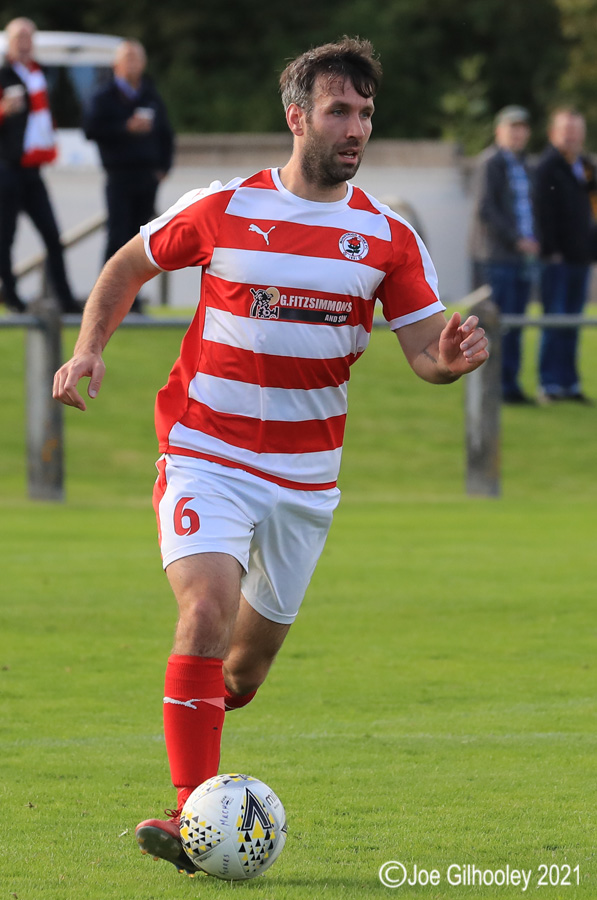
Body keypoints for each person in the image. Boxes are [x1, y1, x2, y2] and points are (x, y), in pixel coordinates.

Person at [53, 37, 489, 876]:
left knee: (242, 672)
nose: (354, 127)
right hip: (205, 452)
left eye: (365, 113)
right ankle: (191, 815)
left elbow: (425, 353)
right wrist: (88, 350)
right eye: (338, 110)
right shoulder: (222, 207)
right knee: (204, 611)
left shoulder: (387, 237)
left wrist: (451, 359)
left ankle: (210, 735)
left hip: (304, 480)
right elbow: (127, 265)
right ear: (296, 117)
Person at [0, 18, 80, 314]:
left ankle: (65, 298)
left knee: (52, 235)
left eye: (28, 38)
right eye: (18, 38)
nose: (24, 44)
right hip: (3, 166)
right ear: (8, 43)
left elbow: (44, 116)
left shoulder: (38, 74)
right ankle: (11, 298)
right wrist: (1, 111)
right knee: (5, 236)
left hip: (31, 167)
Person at [84, 38, 174, 312]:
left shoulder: (150, 94)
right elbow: (90, 129)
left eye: (137, 58)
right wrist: (125, 127)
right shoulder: (104, 96)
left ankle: (131, 301)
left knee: (142, 240)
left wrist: (163, 167)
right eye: (128, 58)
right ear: (116, 64)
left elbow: (166, 133)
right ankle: (106, 300)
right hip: (119, 174)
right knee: (117, 237)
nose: (133, 64)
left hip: (147, 176)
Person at [470, 105, 539, 404]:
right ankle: (492, 387)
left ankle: (510, 385)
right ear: (499, 131)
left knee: (515, 325)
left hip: (522, 259)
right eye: (512, 128)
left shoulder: (526, 164)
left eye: (522, 128)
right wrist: (516, 240)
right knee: (494, 326)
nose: (517, 133)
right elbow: (486, 209)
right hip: (497, 257)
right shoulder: (491, 163)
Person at [535, 107, 597, 403]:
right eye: (566, 131)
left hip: (581, 259)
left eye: (576, 131)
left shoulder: (585, 166)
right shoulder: (547, 167)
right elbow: (541, 213)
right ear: (553, 133)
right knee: (554, 321)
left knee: (573, 324)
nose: (571, 137)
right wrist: (551, 250)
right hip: (557, 260)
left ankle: (569, 384)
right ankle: (549, 384)